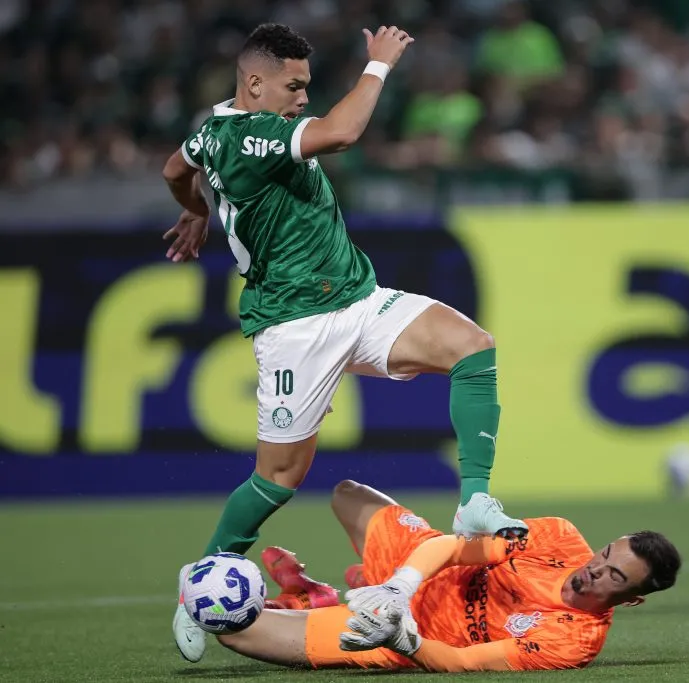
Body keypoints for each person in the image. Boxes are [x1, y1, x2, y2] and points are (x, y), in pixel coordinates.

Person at [163, 23, 528, 660]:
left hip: (358, 301)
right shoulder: (249, 133)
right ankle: (199, 587)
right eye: (293, 86)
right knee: (279, 478)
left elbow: (174, 168)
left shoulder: (211, 130)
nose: (303, 97)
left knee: (471, 345)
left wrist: (196, 209)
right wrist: (380, 65)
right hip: (294, 328)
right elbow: (343, 131)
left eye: (306, 86)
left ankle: (474, 501)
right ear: (254, 83)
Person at [206, 479, 681, 672]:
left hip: (405, 633)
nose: (593, 570)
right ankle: (328, 592)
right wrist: (400, 586)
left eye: (614, 576)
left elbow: (461, 663)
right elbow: (455, 548)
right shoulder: (558, 538)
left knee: (233, 633)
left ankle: (325, 604)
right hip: (418, 567)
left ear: (631, 599)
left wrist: (400, 635)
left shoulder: (573, 641)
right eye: (603, 555)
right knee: (348, 495)